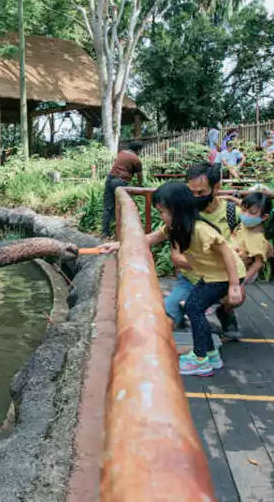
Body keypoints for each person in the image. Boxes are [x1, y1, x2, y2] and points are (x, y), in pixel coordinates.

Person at [99, 163, 243, 338]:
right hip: (192, 279)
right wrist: (118, 245)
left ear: (216, 188)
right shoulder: (182, 215)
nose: (195, 197)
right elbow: (159, 241)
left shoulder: (231, 215)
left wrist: (235, 285)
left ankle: (223, 314)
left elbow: (241, 253)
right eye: (192, 193)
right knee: (167, 314)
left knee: (208, 302)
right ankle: (189, 313)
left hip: (221, 278)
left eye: (201, 193)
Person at [151, 182, 246, 376]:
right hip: (212, 275)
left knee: (193, 307)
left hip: (226, 275)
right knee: (194, 307)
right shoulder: (177, 227)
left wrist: (234, 286)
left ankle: (200, 359)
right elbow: (149, 238)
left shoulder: (200, 229)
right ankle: (211, 355)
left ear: (178, 209)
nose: (161, 217)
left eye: (163, 212)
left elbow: (227, 253)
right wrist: (116, 245)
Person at [101, 141, 144, 238]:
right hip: (120, 181)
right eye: (141, 150)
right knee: (123, 207)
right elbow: (140, 175)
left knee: (108, 206)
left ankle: (105, 232)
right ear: (138, 150)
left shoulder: (121, 153)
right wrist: (140, 185)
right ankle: (121, 234)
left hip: (110, 179)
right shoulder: (136, 159)